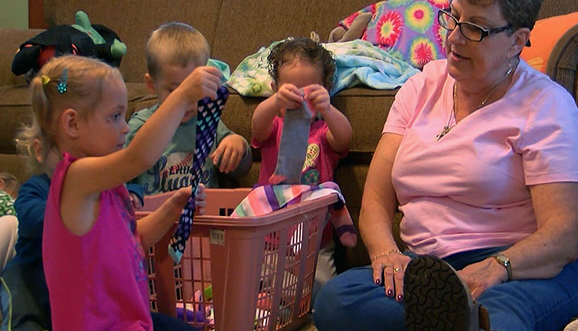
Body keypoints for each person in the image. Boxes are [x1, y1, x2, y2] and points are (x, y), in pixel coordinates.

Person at [314, 0, 578, 331]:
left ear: (517, 39)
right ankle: (457, 322)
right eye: (453, 17)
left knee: (502, 318)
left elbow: (562, 235)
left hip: (525, 271)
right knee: (337, 301)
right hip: (432, 274)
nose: (455, 38)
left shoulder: (547, 105)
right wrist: (385, 255)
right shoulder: (420, 87)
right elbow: (376, 198)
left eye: (476, 28)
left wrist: (497, 267)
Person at [34, 54, 222, 330]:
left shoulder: (105, 186)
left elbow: (132, 241)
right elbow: (139, 157)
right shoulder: (76, 178)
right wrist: (181, 96)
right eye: (114, 116)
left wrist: (172, 208)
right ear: (72, 124)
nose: (125, 127)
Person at [252, 37, 353, 301]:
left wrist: (327, 108)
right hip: (272, 241)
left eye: (308, 90)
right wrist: (275, 102)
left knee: (324, 295)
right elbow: (257, 126)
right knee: (265, 290)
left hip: (316, 242)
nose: (298, 96)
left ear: (325, 88)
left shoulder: (322, 132)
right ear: (275, 88)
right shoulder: (274, 126)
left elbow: (345, 138)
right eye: (289, 89)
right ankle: (276, 302)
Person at [126, 22, 251, 196]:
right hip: (156, 219)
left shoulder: (208, 120)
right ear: (151, 84)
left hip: (205, 217)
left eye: (195, 89)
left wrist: (238, 144)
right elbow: (119, 178)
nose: (187, 100)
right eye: (174, 90)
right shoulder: (141, 126)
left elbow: (240, 170)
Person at [0, 122, 58, 330]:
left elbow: (127, 185)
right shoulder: (36, 187)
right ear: (40, 151)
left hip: (67, 281)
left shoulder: (100, 188)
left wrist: (133, 194)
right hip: (28, 277)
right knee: (24, 320)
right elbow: (33, 217)